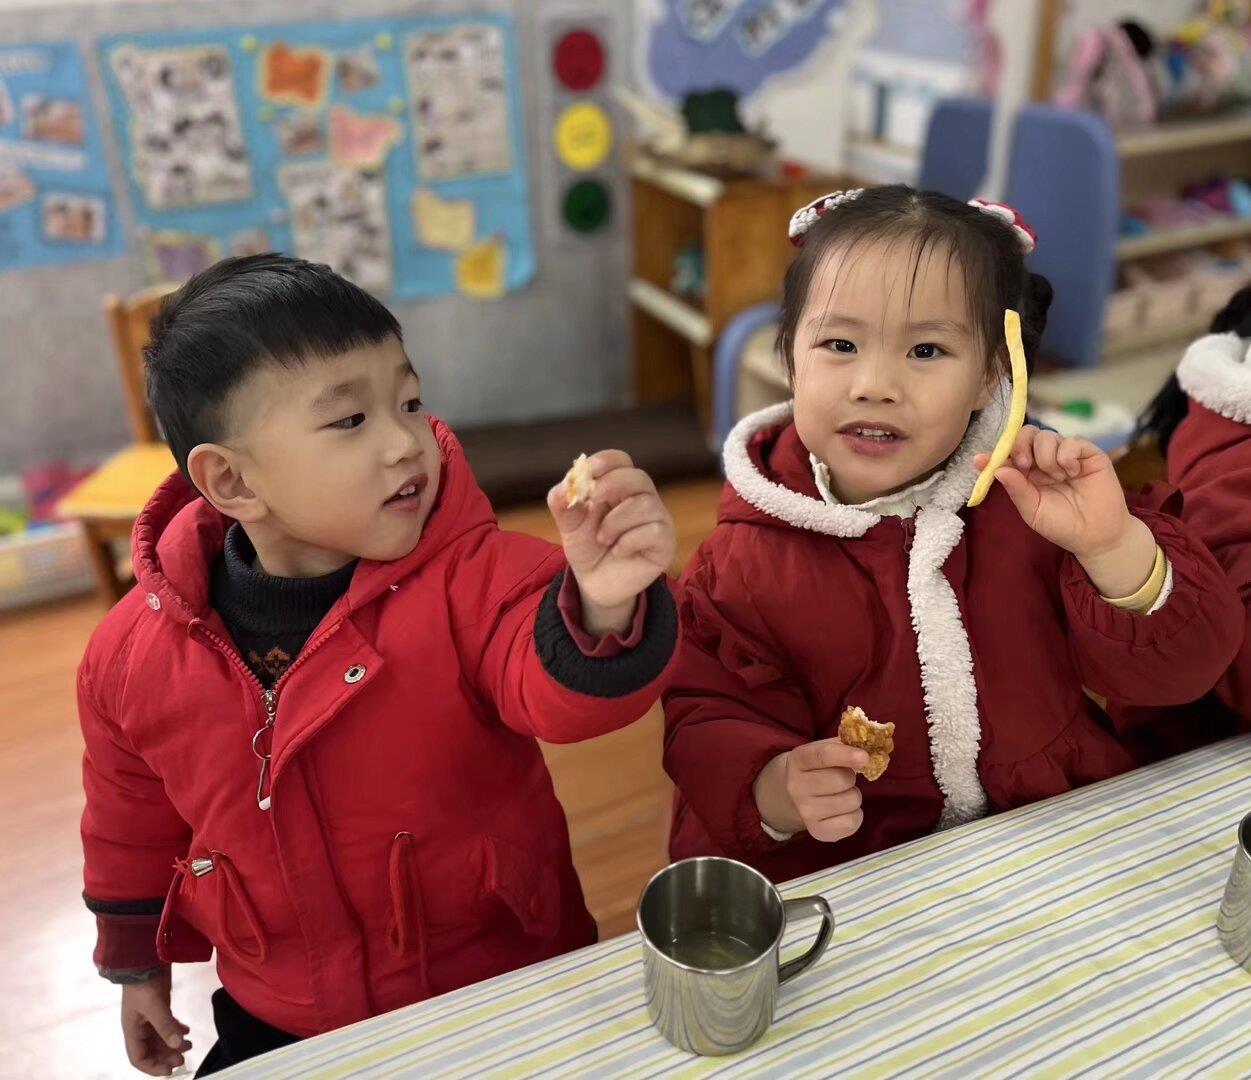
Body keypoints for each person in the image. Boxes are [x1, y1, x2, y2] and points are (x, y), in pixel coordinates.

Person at [79, 254, 680, 1075]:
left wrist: (603, 606)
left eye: (409, 402)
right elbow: (129, 815)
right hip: (281, 1009)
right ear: (232, 481)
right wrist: (134, 964)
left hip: (501, 983)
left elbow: (557, 691)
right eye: (350, 420)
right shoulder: (131, 654)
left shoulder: (475, 579)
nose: (406, 443)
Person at [663, 185, 1242, 884]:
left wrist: (1111, 545)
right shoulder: (740, 562)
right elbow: (706, 713)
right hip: (862, 867)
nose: (875, 384)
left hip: (1049, 838)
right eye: (840, 344)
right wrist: (773, 787)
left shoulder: (1034, 501)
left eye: (926, 350)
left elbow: (1185, 672)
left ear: (989, 377)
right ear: (791, 358)